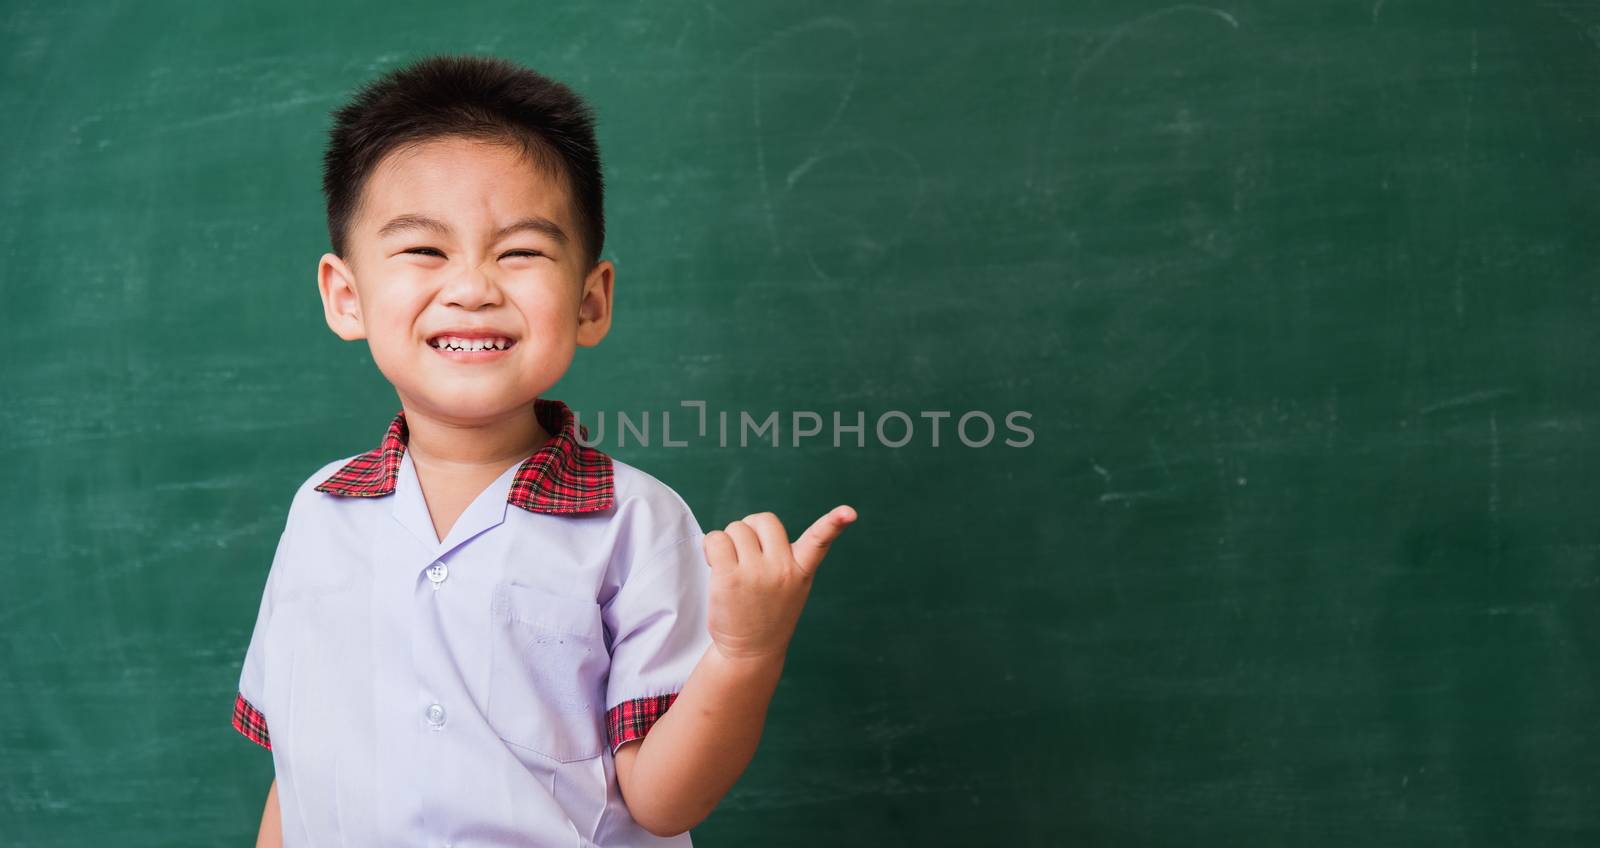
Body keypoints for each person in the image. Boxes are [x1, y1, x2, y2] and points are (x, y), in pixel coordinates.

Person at [231, 53, 856, 846]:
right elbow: (299, 768)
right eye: (425, 250)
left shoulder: (636, 523)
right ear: (345, 296)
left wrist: (745, 654)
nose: (473, 286)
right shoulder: (321, 512)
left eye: (520, 251)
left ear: (590, 302)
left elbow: (665, 802)